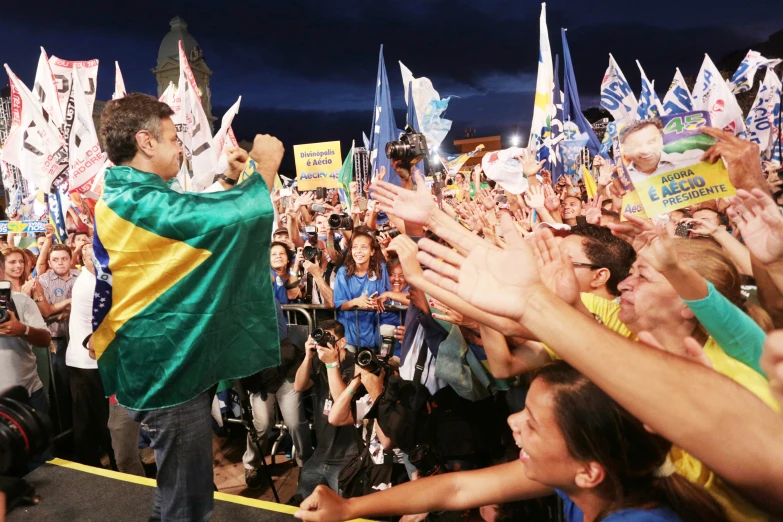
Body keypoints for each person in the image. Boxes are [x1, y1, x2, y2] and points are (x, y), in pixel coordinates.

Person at [93, 93, 282, 521]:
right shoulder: (136, 201)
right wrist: (265, 168)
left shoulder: (133, 197)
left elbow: (194, 220)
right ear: (146, 141)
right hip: (169, 374)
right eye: (174, 137)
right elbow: (218, 221)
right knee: (191, 502)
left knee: (174, 488)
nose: (180, 147)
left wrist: (231, 182)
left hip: (165, 366)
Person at [296, 362, 728, 522]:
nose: (512, 422)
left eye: (534, 424)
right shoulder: (591, 477)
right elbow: (457, 488)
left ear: (589, 470)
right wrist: (350, 508)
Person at [242, 298, 312, 488]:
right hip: (259, 379)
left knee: (295, 422)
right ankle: (251, 463)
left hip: (284, 371)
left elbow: (278, 336)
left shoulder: (268, 299)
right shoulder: (236, 304)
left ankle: (306, 464)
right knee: (262, 424)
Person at [293, 319, 358, 498]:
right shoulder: (318, 361)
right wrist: (308, 357)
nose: (324, 344)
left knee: (344, 510)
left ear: (342, 342)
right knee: (304, 501)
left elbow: (342, 406)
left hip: (346, 456)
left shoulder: (355, 366)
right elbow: (298, 386)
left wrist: (331, 364)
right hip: (320, 454)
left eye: (330, 338)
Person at [65, 243, 114, 468]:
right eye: (89, 257)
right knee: (98, 420)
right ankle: (101, 468)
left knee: (92, 419)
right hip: (88, 361)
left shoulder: (95, 281)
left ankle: (96, 466)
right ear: (82, 260)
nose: (95, 260)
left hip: (85, 360)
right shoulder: (89, 284)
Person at [37, 244, 80, 432]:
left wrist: (65, 309)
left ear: (71, 260)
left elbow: (88, 305)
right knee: (60, 386)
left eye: (64, 258)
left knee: (77, 386)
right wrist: (70, 304)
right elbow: (46, 311)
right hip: (56, 340)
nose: (60, 262)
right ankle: (64, 428)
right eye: (55, 259)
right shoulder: (43, 280)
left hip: (78, 339)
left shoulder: (81, 277)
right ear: (49, 261)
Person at [333, 228, 389, 351]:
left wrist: (378, 300)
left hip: (373, 332)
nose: (358, 251)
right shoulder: (343, 272)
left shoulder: (381, 269)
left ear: (372, 251)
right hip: (349, 333)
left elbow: (386, 295)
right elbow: (339, 304)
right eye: (355, 247)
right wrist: (356, 302)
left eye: (364, 247)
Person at [619, 119, 703, 185]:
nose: (645, 151)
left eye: (651, 142)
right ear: (625, 150)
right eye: (636, 145)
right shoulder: (623, 180)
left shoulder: (693, 160)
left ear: (661, 140)